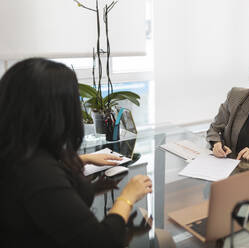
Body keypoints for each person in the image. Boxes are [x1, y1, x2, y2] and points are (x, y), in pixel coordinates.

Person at [0, 58, 152, 247]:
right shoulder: (37, 172)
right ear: (54, 112)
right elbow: (100, 242)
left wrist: (91, 182)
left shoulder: (16, 151)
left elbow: (52, 203)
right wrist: (127, 197)